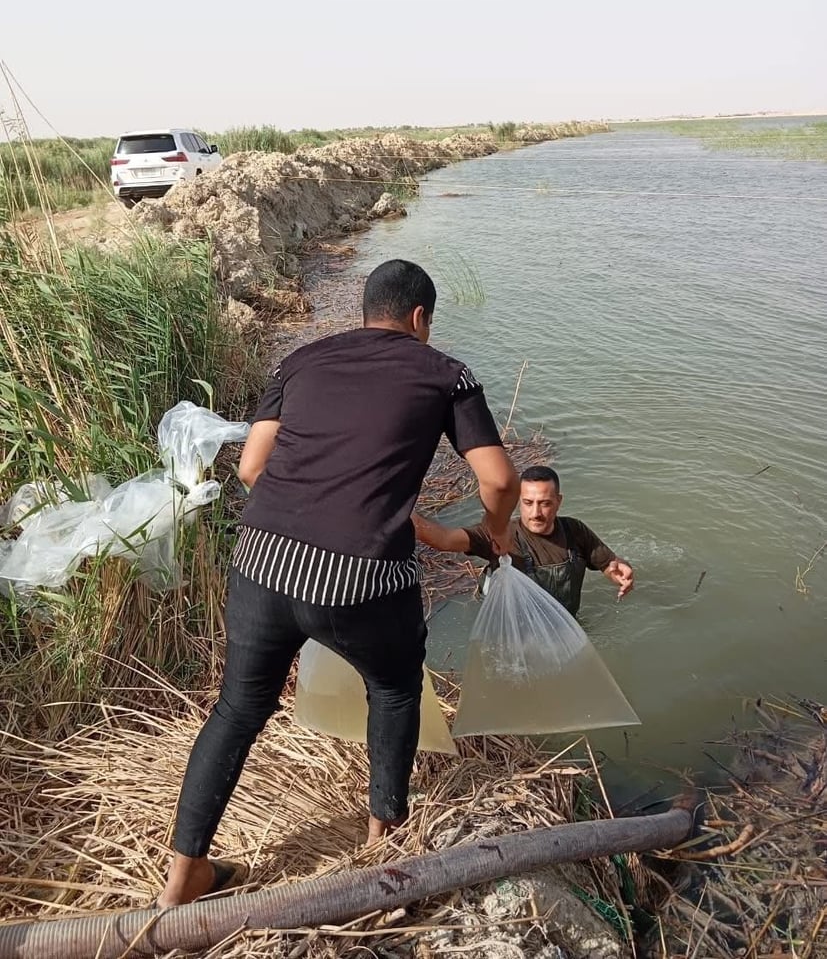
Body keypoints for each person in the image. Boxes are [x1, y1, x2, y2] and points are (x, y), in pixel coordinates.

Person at [157, 258, 520, 908]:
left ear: (364, 312)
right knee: (394, 686)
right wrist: (494, 532)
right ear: (419, 319)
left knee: (237, 712)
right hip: (361, 578)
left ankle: (183, 878)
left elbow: (250, 468)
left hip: (261, 562)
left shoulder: (302, 360)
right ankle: (384, 841)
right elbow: (497, 479)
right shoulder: (446, 374)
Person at [413, 465, 634, 618]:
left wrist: (619, 571)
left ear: (559, 502)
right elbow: (444, 539)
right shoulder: (500, 533)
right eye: (528, 503)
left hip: (565, 624)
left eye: (545, 503)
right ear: (518, 501)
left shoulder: (575, 530)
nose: (536, 512)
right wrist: (400, 515)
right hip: (515, 631)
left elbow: (608, 563)